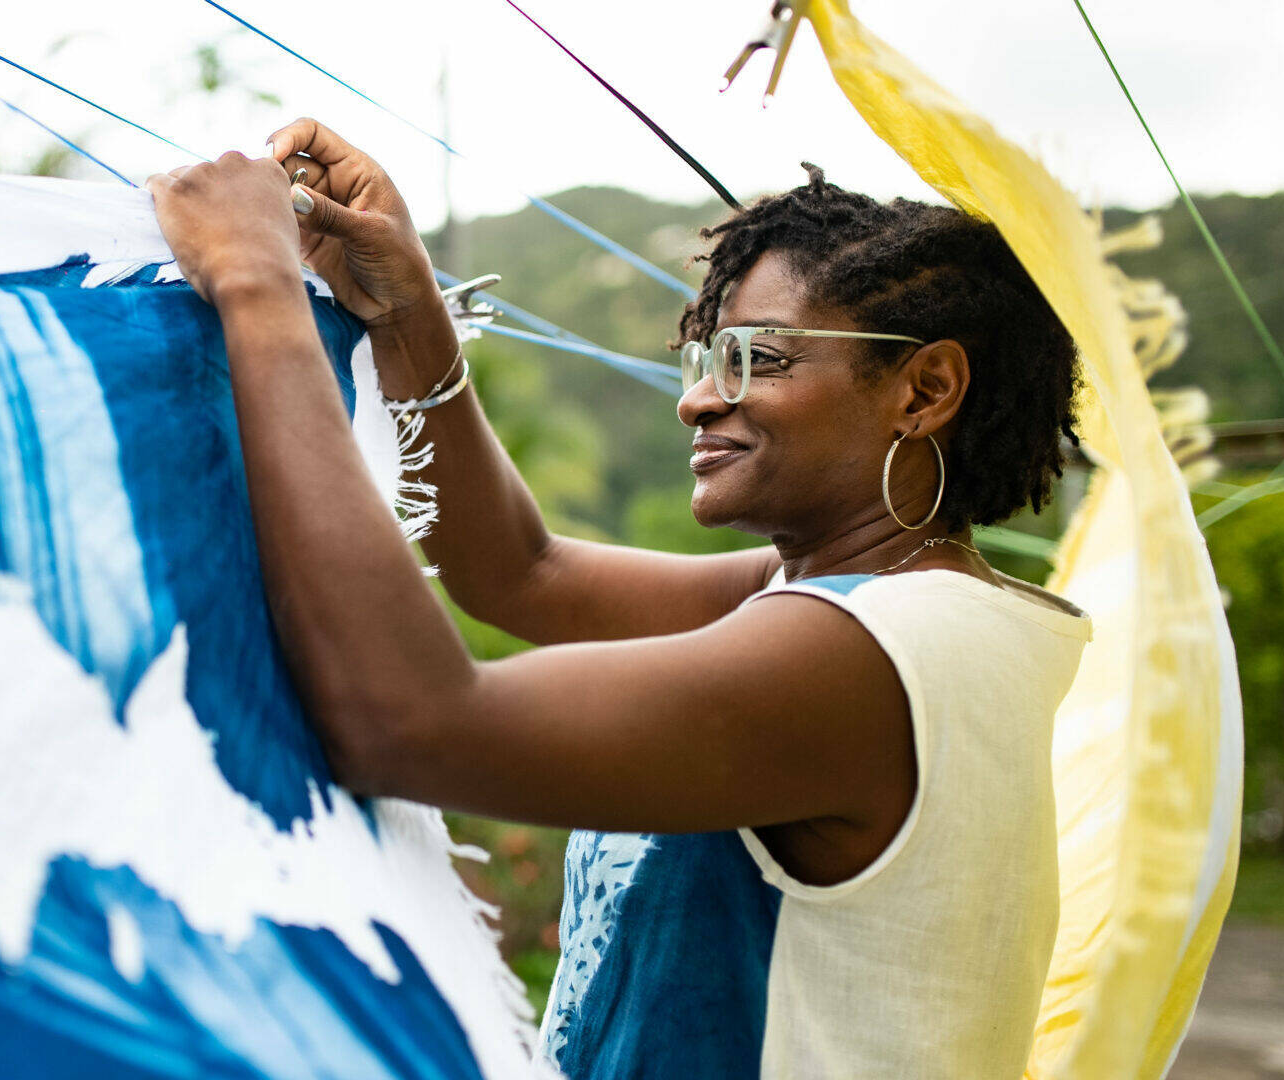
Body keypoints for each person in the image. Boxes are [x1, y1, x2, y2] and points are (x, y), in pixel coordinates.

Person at [145, 118, 1091, 1079]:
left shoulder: (869, 652)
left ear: (924, 390)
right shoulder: (874, 604)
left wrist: (255, 285)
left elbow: (411, 723)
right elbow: (521, 572)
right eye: (705, 358)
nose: (696, 400)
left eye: (757, 358)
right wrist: (404, 312)